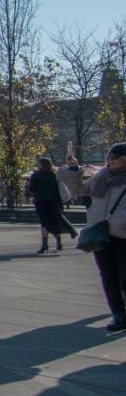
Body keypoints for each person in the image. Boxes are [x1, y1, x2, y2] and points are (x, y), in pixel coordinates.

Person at [87, 142, 126, 333]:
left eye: (114, 158)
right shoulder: (101, 176)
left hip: (123, 234)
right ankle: (117, 314)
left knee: (124, 276)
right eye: (109, 157)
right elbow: (78, 190)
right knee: (108, 275)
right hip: (100, 233)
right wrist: (72, 169)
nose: (110, 161)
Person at [27, 157, 76, 254]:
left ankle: (44, 245)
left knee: (44, 223)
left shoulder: (36, 175)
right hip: (55, 202)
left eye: (38, 163)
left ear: (41, 164)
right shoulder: (55, 174)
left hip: (41, 202)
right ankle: (59, 243)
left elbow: (32, 189)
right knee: (56, 221)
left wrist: (29, 191)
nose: (37, 165)